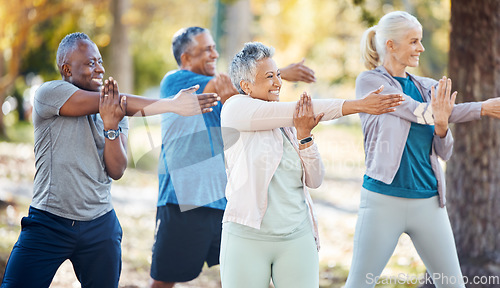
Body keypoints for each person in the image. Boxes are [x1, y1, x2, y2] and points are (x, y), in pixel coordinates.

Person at [0, 32, 219, 288]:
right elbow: (112, 102)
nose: (100, 68)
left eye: (100, 61)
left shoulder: (117, 111)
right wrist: (170, 104)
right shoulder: (50, 93)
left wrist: (112, 126)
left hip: (100, 226)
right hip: (49, 223)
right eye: (90, 63)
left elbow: (116, 170)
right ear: (67, 69)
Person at [219, 42, 404, 288]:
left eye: (278, 75)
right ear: (246, 86)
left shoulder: (288, 124)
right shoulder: (234, 109)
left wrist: (305, 136)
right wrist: (357, 105)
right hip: (246, 237)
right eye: (269, 76)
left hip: (296, 236)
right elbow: (302, 110)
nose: (278, 82)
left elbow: (315, 180)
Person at [150, 26, 323, 288]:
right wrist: (283, 72)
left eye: (214, 47)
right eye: (206, 49)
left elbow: (247, 92)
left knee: (234, 275)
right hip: (184, 200)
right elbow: (228, 85)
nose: (214, 53)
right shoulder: (175, 82)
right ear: (186, 58)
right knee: (165, 280)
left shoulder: (230, 97)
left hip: (225, 201)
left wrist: (275, 76)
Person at [345, 11, 500, 288]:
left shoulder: (428, 87)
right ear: (390, 45)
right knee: (359, 284)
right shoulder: (370, 83)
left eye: (421, 41)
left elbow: (444, 150)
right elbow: (416, 112)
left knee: (453, 285)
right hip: (383, 200)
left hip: (429, 203)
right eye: (414, 41)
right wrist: (483, 107)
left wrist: (442, 125)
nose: (421, 48)